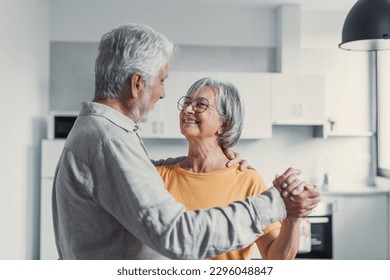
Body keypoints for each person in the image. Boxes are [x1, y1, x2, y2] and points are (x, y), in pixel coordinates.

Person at [52, 23, 320, 260]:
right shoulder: (110, 141)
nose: (163, 94)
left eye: (201, 104)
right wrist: (277, 202)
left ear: (224, 123)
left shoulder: (106, 135)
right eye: (161, 81)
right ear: (137, 84)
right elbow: (179, 236)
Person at [139, 77, 310, 260]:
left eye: (200, 105)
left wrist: (293, 218)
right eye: (187, 102)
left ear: (224, 124)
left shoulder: (247, 180)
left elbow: (275, 259)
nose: (187, 109)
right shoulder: (157, 176)